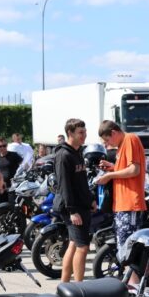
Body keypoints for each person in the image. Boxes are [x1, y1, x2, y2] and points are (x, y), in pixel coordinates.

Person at [95, 120, 147, 267]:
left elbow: (134, 170)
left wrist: (110, 176)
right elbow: (127, 168)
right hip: (123, 204)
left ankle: (132, 286)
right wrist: (113, 167)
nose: (108, 144)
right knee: (124, 249)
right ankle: (130, 284)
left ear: (113, 132)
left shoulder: (130, 139)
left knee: (129, 251)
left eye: (108, 140)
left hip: (130, 204)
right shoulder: (122, 144)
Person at [54, 118, 93, 282]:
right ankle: (79, 287)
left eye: (84, 132)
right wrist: (72, 211)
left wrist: (90, 199)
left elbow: (81, 181)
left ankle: (64, 284)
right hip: (73, 208)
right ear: (70, 133)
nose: (84, 135)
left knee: (73, 244)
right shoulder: (64, 155)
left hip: (81, 205)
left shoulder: (77, 152)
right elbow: (64, 186)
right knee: (83, 248)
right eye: (80, 132)